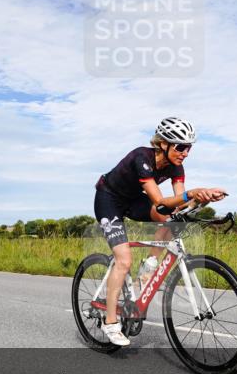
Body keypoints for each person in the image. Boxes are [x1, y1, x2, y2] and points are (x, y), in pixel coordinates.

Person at [93, 117, 226, 346]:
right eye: (180, 147)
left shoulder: (177, 167)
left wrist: (202, 198)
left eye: (189, 147)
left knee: (170, 220)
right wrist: (191, 193)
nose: (185, 153)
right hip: (109, 199)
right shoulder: (142, 158)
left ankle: (148, 268)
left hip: (134, 200)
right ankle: (110, 321)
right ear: (163, 144)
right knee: (123, 261)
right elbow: (161, 201)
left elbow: (177, 206)